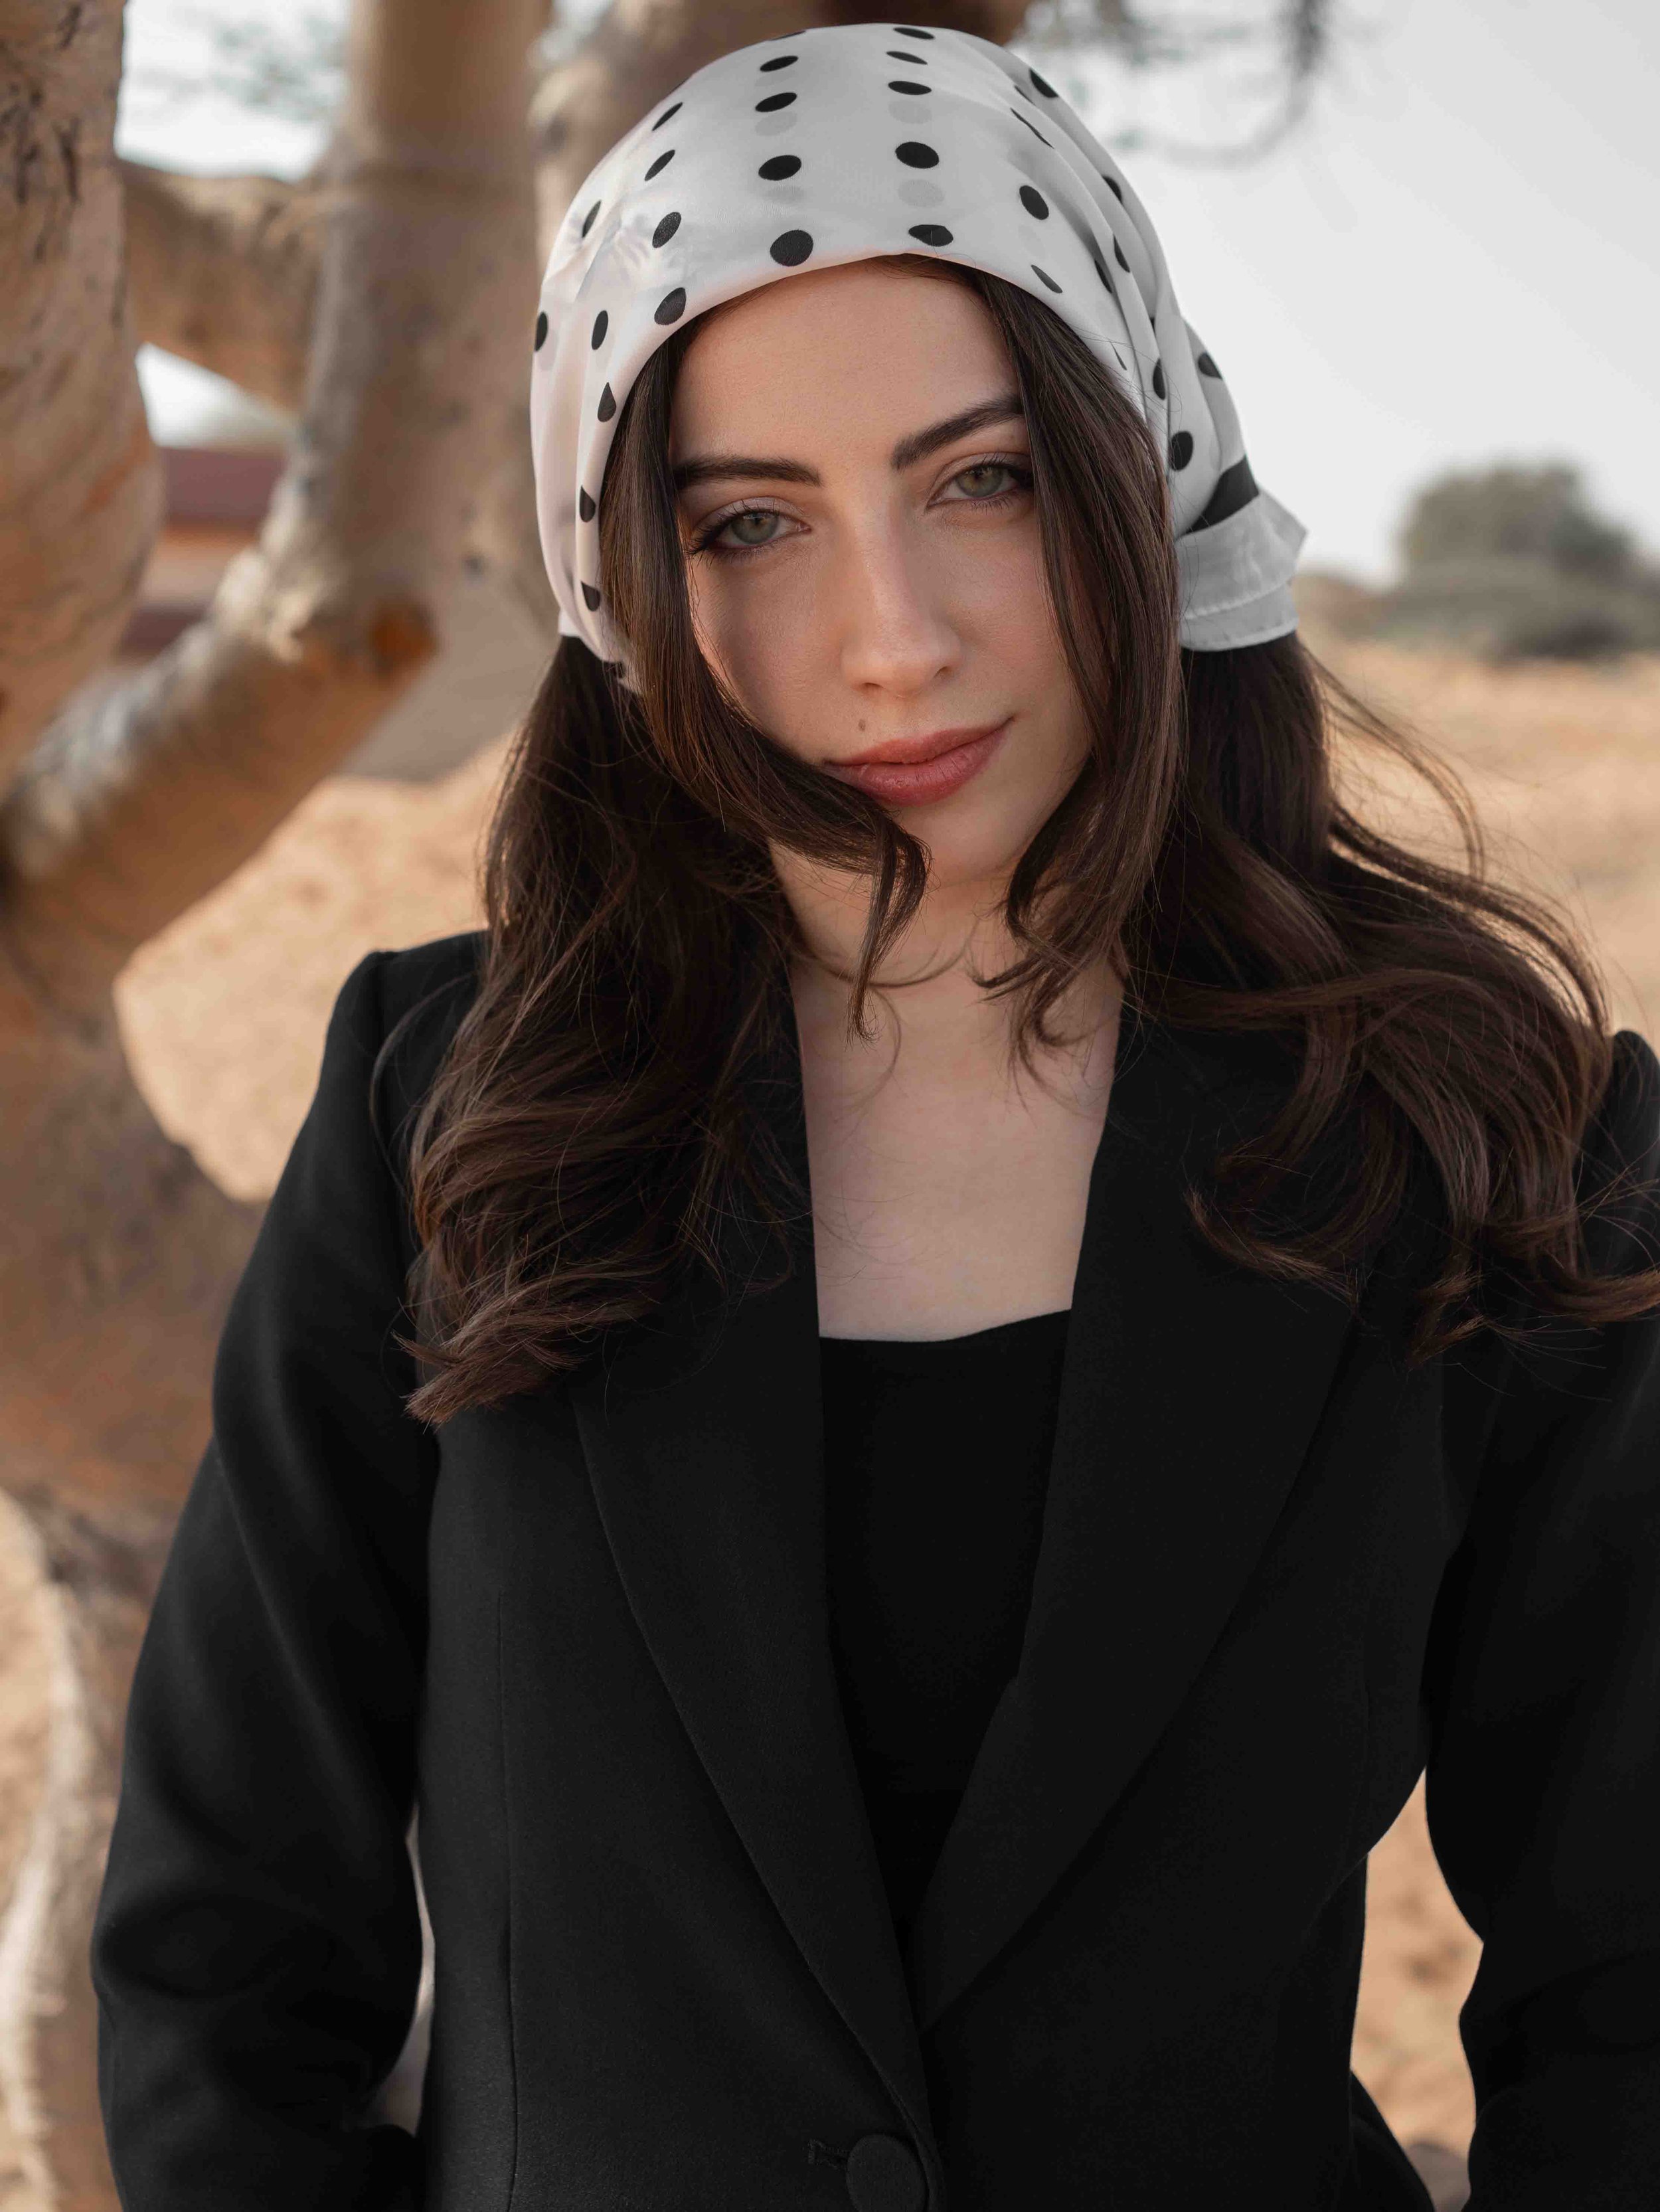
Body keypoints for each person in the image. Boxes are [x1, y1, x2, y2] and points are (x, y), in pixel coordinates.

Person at [90, 24, 1660, 2212]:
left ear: (1137, 462)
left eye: (979, 480)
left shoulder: (1492, 1131)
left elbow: (1625, 1994)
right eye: (751, 521)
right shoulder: (436, 1110)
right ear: (622, 581)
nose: (891, 641)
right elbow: (226, 1962)